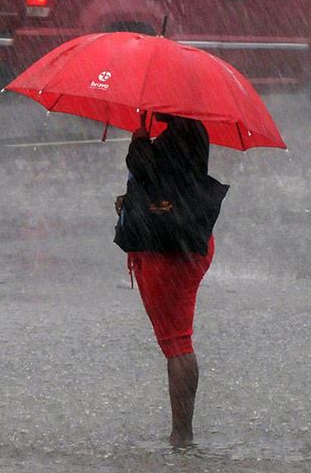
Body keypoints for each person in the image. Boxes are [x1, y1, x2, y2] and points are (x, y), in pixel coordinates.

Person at [114, 112, 228, 446]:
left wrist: (137, 146)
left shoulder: (184, 132)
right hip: (180, 242)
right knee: (174, 341)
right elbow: (164, 186)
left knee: (177, 343)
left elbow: (153, 174)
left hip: (171, 251)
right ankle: (181, 433)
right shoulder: (187, 129)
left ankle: (182, 435)